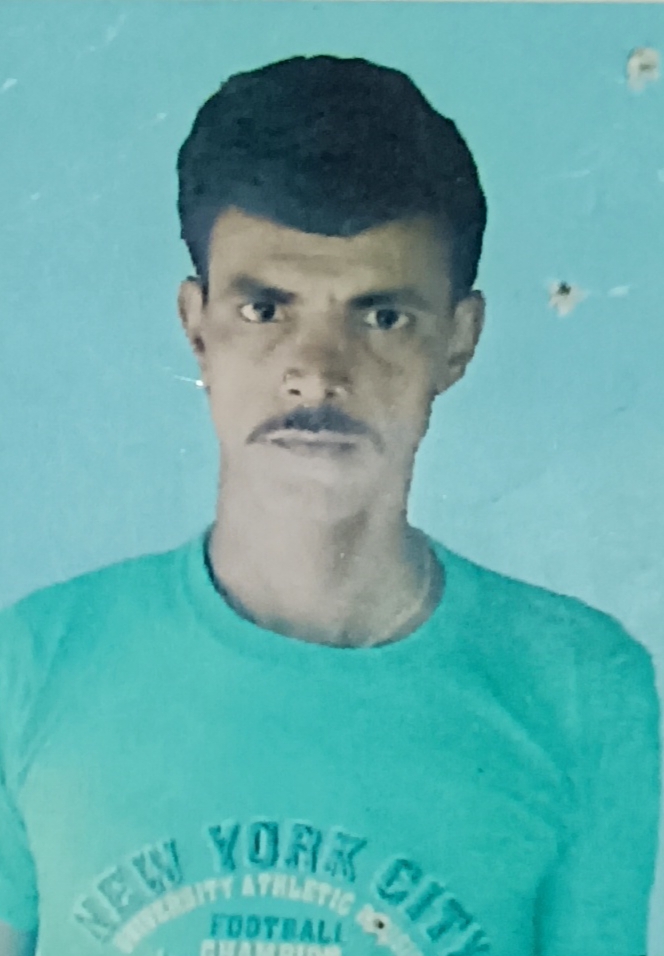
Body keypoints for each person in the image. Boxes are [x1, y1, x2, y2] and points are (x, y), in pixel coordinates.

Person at [0, 55, 660, 956]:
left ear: (459, 341)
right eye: (264, 310)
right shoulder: (31, 665)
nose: (317, 372)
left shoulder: (580, 687)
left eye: (381, 316)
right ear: (196, 326)